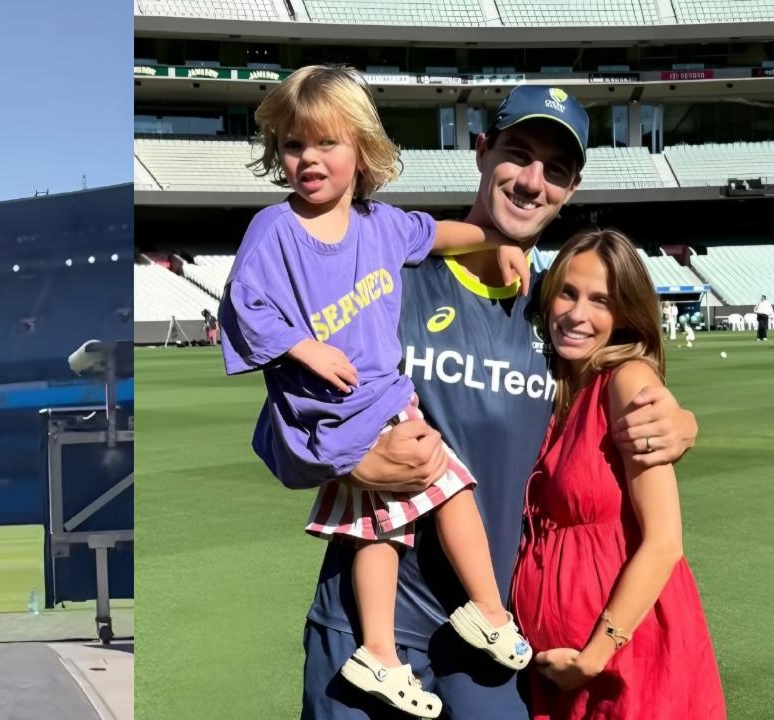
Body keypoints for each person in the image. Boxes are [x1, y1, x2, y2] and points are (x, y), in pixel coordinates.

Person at [292, 83, 698, 720]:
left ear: (571, 190)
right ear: (481, 152)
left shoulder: (558, 315)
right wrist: (348, 461)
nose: (534, 182)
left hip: (493, 636)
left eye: (556, 170)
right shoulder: (390, 278)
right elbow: (282, 424)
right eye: (518, 154)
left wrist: (677, 418)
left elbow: (613, 399)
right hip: (370, 628)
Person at [219, 64, 535, 717]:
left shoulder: (381, 226)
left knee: (380, 530)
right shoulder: (275, 231)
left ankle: (384, 653)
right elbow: (245, 307)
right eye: (293, 144)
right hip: (340, 418)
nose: (307, 158)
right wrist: (303, 346)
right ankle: (488, 613)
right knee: (447, 489)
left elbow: (438, 233)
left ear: (363, 149)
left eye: (326, 142)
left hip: (387, 403)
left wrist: (498, 237)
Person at [513, 229, 724, 719]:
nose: (577, 313)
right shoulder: (550, 385)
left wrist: (593, 658)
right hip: (556, 673)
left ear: (624, 314)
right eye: (567, 292)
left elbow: (665, 542)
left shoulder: (627, 381)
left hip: (626, 663)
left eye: (600, 300)